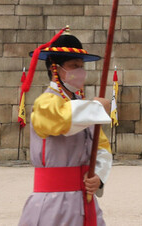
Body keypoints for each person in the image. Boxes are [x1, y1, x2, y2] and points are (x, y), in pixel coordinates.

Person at [19, 31, 113, 226]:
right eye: (73, 66)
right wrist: (95, 108)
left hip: (84, 200)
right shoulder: (44, 103)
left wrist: (98, 177)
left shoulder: (82, 106)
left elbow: (102, 147)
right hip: (53, 203)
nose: (80, 71)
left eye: (81, 66)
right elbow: (62, 121)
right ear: (56, 69)